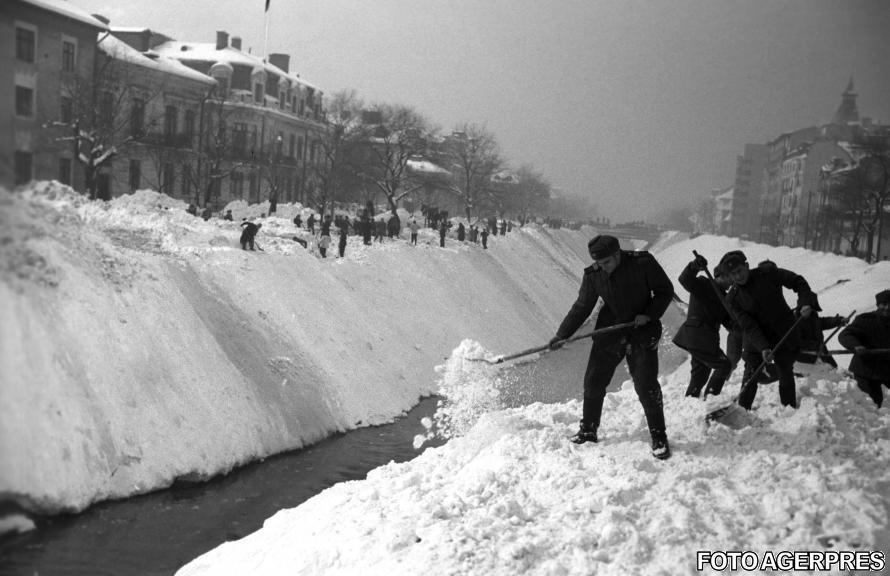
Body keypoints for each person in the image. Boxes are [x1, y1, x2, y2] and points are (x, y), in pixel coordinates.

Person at [549, 235, 674, 460]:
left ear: (617, 255)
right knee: (593, 381)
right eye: (599, 263)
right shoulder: (594, 274)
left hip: (642, 331)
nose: (603, 268)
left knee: (646, 385)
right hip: (610, 331)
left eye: (606, 262)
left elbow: (665, 291)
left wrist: (649, 314)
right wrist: (562, 334)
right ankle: (588, 430)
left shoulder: (643, 263)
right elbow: (581, 306)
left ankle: (659, 435)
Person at [719, 251, 815, 410]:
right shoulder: (733, 298)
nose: (738, 276)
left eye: (740, 271)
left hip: (783, 331)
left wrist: (805, 302)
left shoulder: (768, 273)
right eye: (733, 274)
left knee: (785, 369)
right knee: (751, 372)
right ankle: (743, 410)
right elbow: (749, 326)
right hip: (757, 338)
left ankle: (788, 409)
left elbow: (797, 281)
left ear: (747, 266)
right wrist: (763, 347)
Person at [672, 255, 733, 398]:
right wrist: (694, 266)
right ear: (721, 276)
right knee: (723, 365)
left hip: (705, 339)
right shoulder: (703, 284)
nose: (733, 282)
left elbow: (729, 323)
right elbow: (685, 279)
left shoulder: (725, 299)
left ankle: (690, 402)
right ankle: (711, 401)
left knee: (700, 375)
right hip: (698, 335)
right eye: (731, 278)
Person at [838, 290, 890, 407]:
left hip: (886, 368)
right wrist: (856, 345)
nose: (887, 308)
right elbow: (845, 335)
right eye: (884, 304)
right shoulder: (866, 320)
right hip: (866, 369)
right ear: (878, 305)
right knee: (872, 403)